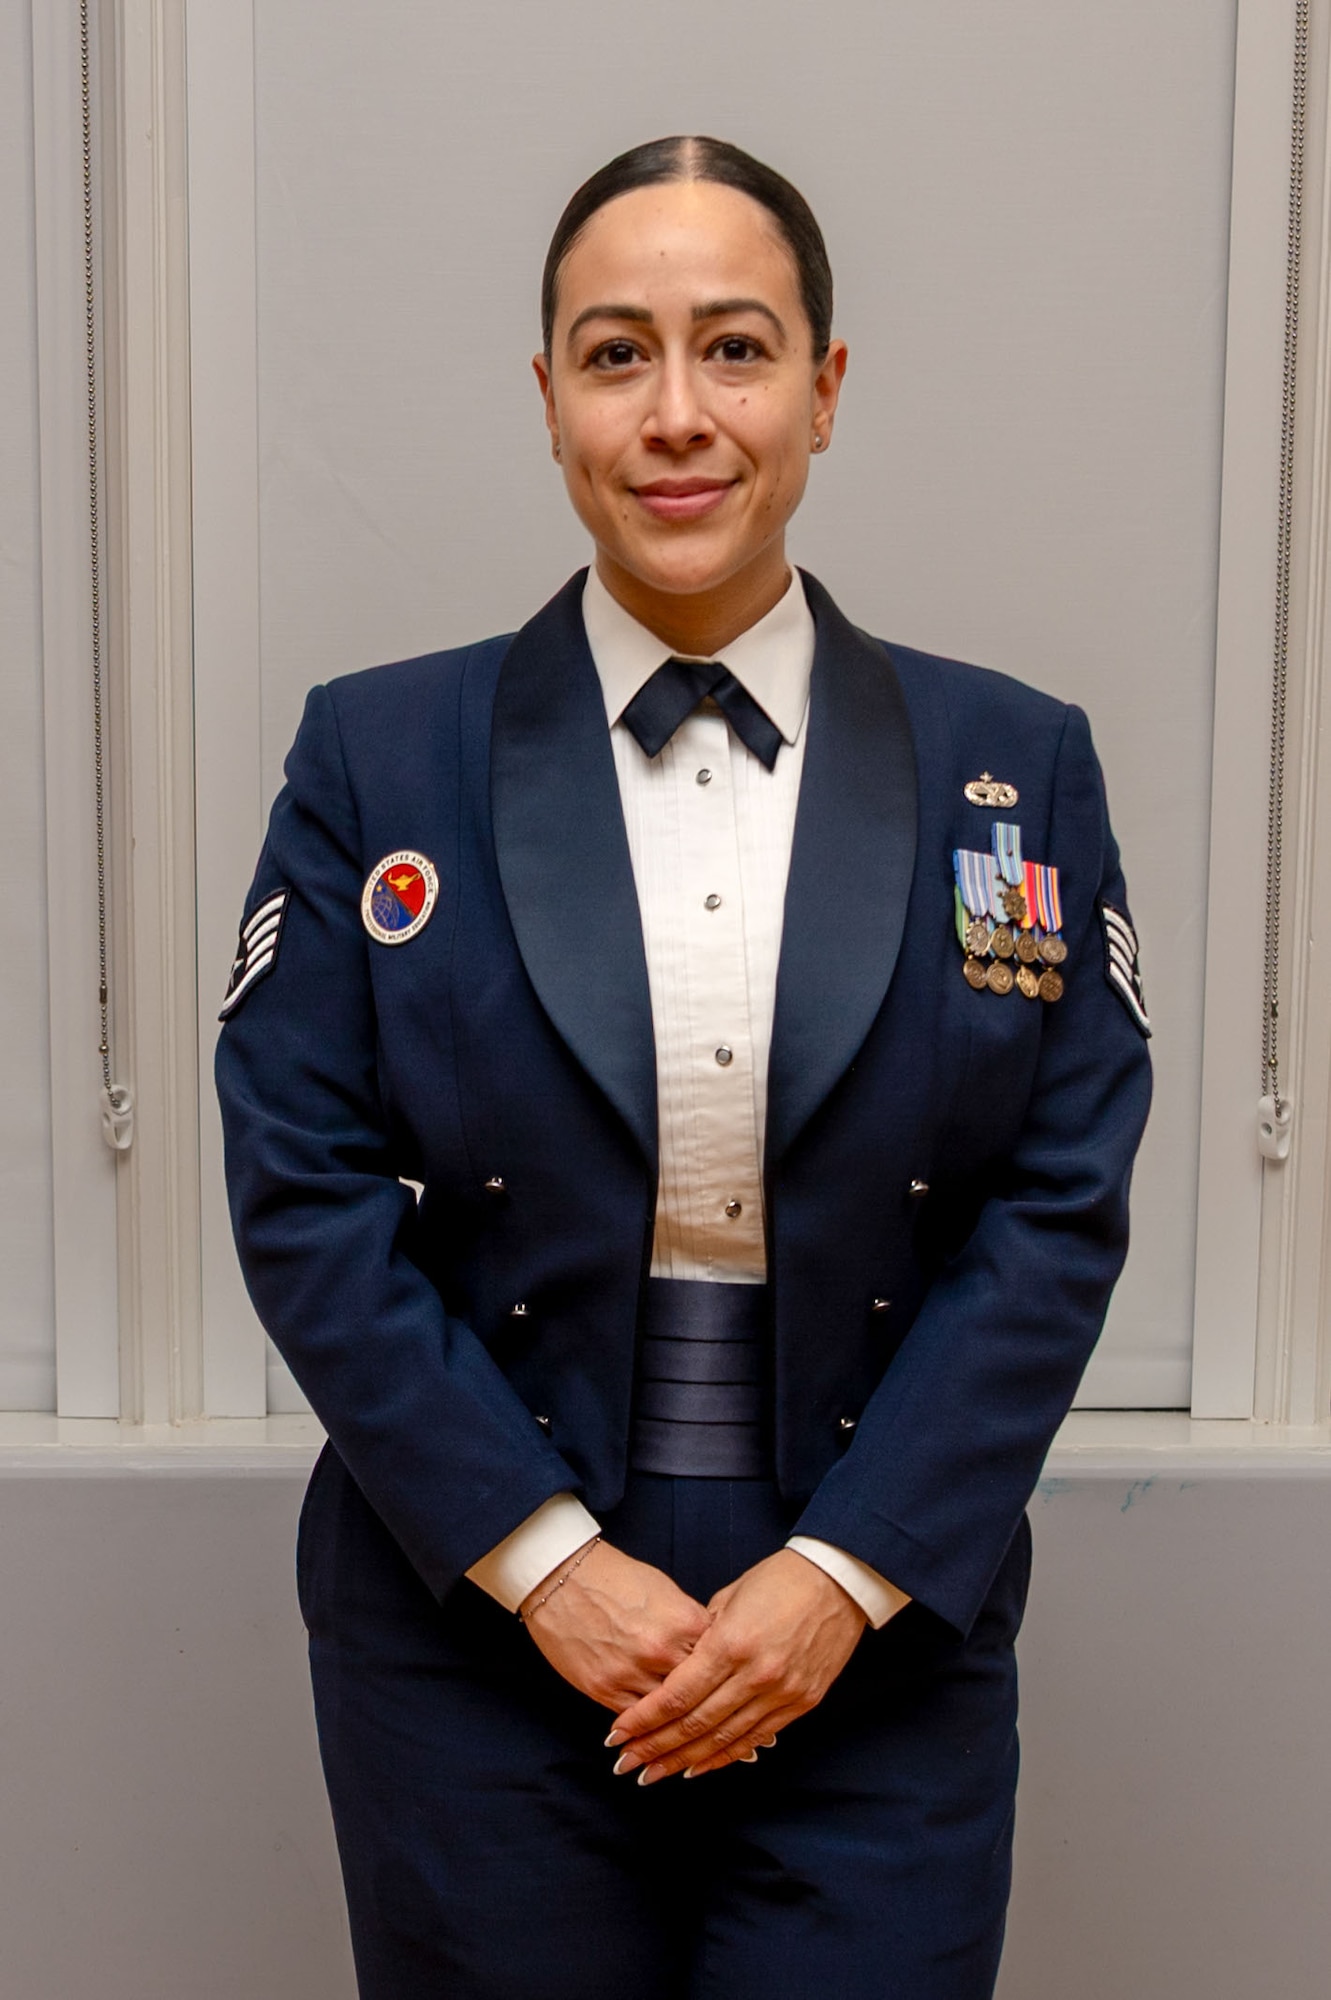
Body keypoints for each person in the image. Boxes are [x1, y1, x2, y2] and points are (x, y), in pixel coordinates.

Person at [216, 135, 1152, 2000]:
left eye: (733, 348)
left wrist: (844, 1576)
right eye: (617, 351)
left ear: (824, 388)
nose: (677, 414)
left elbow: (1058, 1205)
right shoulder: (376, 758)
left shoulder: (1015, 764)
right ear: (548, 392)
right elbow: (300, 1187)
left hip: (878, 1614)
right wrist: (548, 1562)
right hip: (472, 1613)